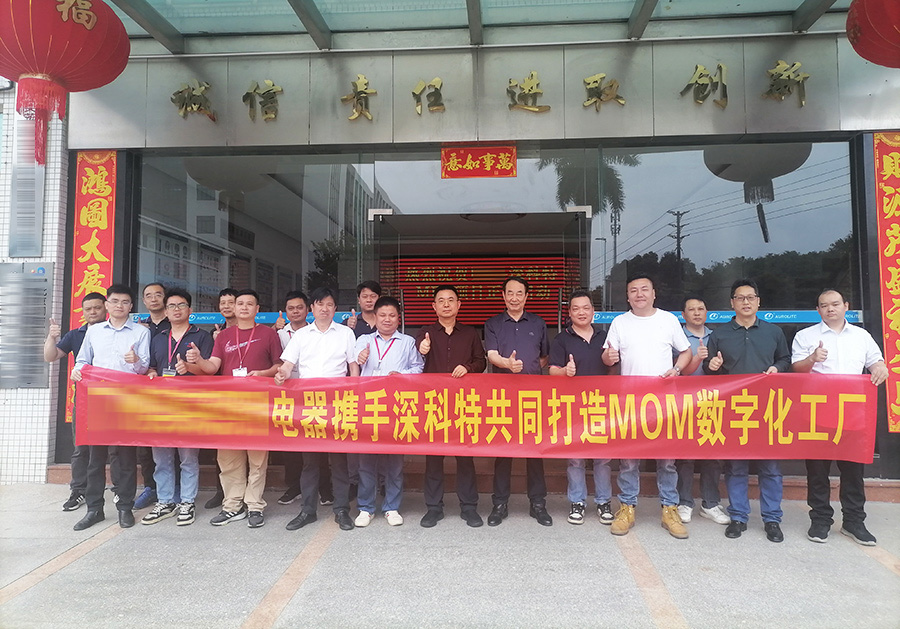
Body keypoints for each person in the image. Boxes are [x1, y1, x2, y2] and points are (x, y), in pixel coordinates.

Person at [791, 288, 888, 546]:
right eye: (824, 305)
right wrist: (812, 358)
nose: (830, 309)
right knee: (817, 470)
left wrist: (880, 368)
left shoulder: (861, 336)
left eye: (835, 304)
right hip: (817, 413)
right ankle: (820, 519)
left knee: (853, 470)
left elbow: (876, 362)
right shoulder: (805, 336)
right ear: (818, 310)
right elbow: (796, 371)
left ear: (846, 306)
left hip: (852, 413)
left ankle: (854, 521)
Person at [602, 275, 692, 539]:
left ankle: (669, 510)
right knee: (629, 460)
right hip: (631, 403)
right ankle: (627, 508)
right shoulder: (620, 322)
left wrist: (677, 369)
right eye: (633, 290)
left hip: (664, 403)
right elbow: (607, 357)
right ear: (628, 297)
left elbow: (686, 352)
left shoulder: (668, 320)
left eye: (644, 289)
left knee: (667, 461)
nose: (639, 294)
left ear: (654, 294)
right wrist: (608, 356)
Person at [704, 278, 791, 543]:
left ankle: (772, 519)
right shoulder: (719, 334)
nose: (746, 302)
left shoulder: (773, 332)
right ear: (732, 303)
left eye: (750, 297)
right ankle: (739, 517)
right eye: (740, 298)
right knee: (736, 467)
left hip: (767, 408)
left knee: (770, 467)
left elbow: (785, 359)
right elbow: (709, 368)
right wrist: (713, 365)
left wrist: (778, 368)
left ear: (758, 301)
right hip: (735, 409)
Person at [193, 289, 283, 529]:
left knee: (257, 459)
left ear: (257, 309)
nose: (244, 307)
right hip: (229, 405)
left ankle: (254, 505)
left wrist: (261, 374)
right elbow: (213, 367)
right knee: (228, 458)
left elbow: (279, 366)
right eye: (240, 303)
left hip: (258, 404)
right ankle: (232, 506)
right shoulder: (223, 336)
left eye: (249, 304)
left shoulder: (268, 334)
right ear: (233, 308)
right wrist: (198, 360)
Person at [277, 287, 359, 532]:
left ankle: (341, 510)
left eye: (329, 304)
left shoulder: (346, 333)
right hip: (309, 404)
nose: (325, 308)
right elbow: (288, 364)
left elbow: (353, 366)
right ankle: (308, 511)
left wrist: (356, 391)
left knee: (339, 460)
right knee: (310, 462)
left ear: (335, 308)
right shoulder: (301, 335)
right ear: (312, 308)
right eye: (320, 304)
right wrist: (281, 374)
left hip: (338, 403)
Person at [71, 284, 151, 531]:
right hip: (98, 400)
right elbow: (83, 360)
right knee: (95, 458)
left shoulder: (141, 332)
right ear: (107, 304)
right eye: (115, 301)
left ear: (131, 306)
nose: (119, 306)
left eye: (125, 302)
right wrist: (77, 370)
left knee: (125, 457)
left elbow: (144, 368)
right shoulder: (94, 331)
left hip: (126, 401)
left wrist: (136, 361)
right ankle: (94, 509)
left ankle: (125, 507)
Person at [415, 285, 487, 528]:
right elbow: (418, 352)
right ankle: (434, 508)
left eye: (451, 300)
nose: (446, 304)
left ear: (458, 305)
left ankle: (469, 507)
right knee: (434, 458)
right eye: (441, 300)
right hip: (433, 404)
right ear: (434, 306)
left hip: (462, 404)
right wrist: (422, 348)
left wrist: (468, 367)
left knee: (465, 457)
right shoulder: (425, 332)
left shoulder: (470, 333)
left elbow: (481, 361)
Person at [483, 276, 552, 527]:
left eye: (519, 293)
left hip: (532, 397)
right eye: (509, 293)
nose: (514, 298)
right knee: (503, 451)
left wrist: (528, 372)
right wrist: (508, 364)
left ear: (526, 296)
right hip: (502, 397)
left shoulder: (538, 323)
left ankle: (538, 504)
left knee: (535, 451)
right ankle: (499, 504)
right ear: (503, 296)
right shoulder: (492, 324)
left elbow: (544, 357)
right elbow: (491, 355)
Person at [142, 289, 214, 526]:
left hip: (190, 406)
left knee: (188, 457)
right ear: (165, 311)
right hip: (161, 405)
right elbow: (151, 367)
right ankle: (165, 502)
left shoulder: (202, 337)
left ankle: (187, 502)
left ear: (190, 310)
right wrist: (152, 373)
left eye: (181, 305)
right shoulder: (158, 338)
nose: (176, 309)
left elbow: (211, 372)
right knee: (161, 457)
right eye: (171, 306)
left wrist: (191, 367)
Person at [354, 296, 424, 527]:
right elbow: (353, 363)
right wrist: (360, 358)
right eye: (382, 315)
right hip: (369, 405)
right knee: (366, 459)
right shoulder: (364, 340)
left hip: (397, 406)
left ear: (398, 318)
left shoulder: (407, 342)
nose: (387, 319)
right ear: (375, 317)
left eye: (392, 315)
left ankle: (392, 506)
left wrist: (402, 375)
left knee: (394, 460)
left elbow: (419, 367)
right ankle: (365, 507)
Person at [549, 289, 614, 526]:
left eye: (586, 308)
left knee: (602, 458)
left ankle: (604, 502)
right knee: (575, 458)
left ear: (593, 311)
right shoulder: (561, 339)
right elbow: (552, 370)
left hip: (601, 405)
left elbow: (614, 365)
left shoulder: (605, 337)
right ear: (569, 312)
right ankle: (577, 502)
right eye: (576, 308)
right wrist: (565, 372)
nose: (581, 312)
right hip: (573, 406)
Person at [44, 292, 107, 512]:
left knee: (116, 449)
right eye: (88, 309)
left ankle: (119, 490)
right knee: (81, 448)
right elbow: (51, 356)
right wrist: (51, 337)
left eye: (97, 307)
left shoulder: (113, 332)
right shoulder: (75, 334)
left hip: (112, 399)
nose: (92, 312)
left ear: (106, 308)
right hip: (84, 400)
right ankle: (78, 490)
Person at [274, 291, 334, 507]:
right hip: (290, 394)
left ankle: (325, 488)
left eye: (300, 307)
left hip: (319, 396)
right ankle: (296, 488)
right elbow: (282, 362)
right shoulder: (280, 333)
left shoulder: (322, 332)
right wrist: (281, 374)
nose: (296, 312)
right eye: (291, 308)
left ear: (308, 310)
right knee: (294, 442)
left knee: (322, 442)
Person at [674, 296, 730, 526]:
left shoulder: (718, 336)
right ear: (683, 314)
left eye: (701, 309)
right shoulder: (676, 337)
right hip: (684, 402)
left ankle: (710, 503)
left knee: (713, 455)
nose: (697, 313)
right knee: (685, 456)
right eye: (691, 309)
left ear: (707, 312)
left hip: (714, 401)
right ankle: (684, 502)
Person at [133, 282, 171, 510]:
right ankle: (150, 488)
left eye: (158, 295)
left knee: (172, 443)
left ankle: (173, 490)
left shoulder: (175, 324)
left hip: (171, 396)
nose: (154, 299)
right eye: (149, 296)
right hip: (144, 395)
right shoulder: (138, 328)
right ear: (144, 301)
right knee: (145, 444)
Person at [204, 287, 239, 509]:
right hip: (222, 397)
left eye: (231, 302)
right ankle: (222, 491)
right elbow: (209, 365)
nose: (226, 306)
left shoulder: (254, 331)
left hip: (247, 398)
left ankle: (245, 494)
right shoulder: (215, 333)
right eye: (223, 302)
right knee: (223, 446)